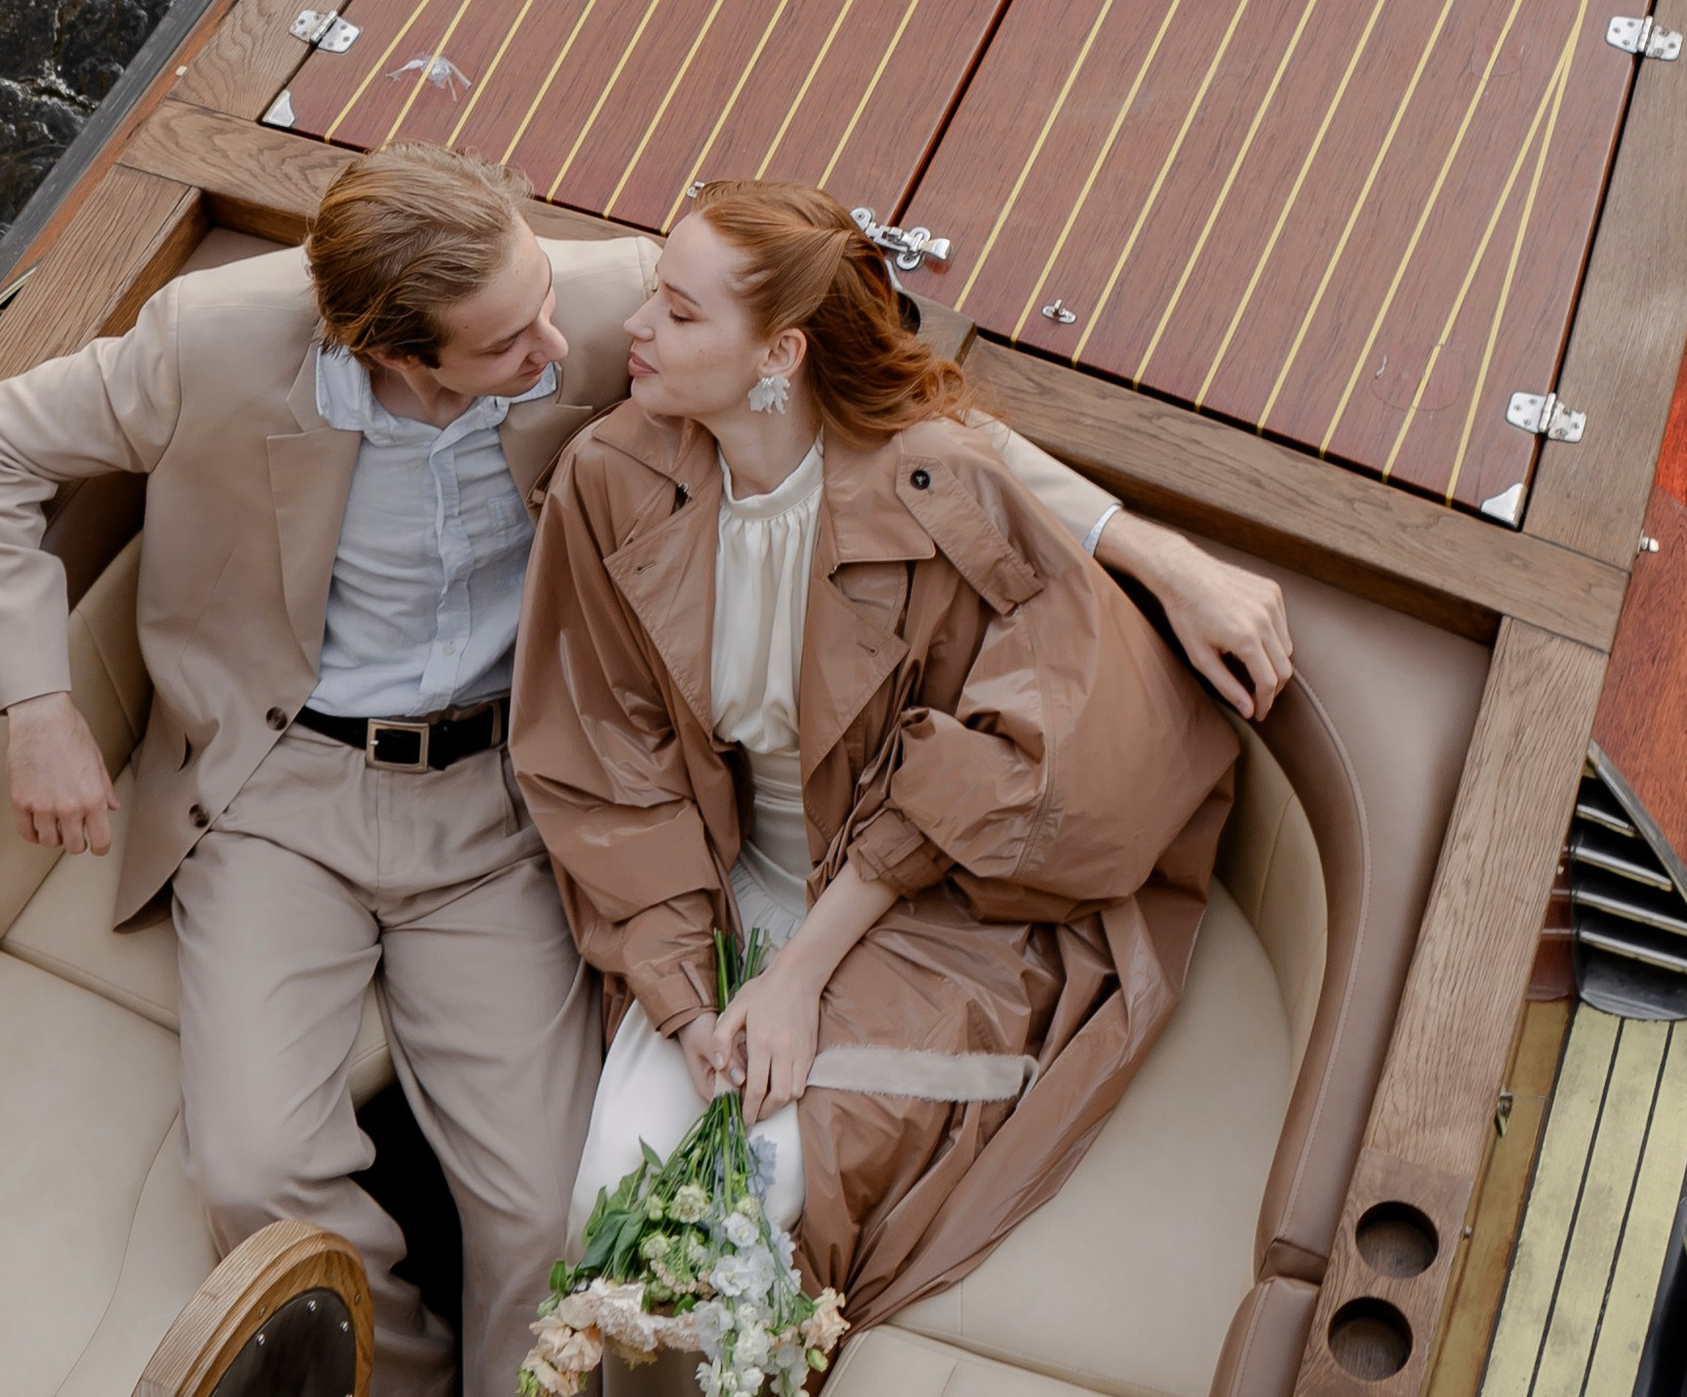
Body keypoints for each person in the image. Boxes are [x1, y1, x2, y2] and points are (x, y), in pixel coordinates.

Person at [0, 149, 1289, 1397]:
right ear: (393, 352)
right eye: (510, 342)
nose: (565, 343)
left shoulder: (609, 309)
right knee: (258, 1170)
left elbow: (900, 420)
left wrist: (1162, 558)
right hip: (279, 789)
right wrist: (37, 703)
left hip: (509, 795)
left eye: (550, 302)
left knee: (537, 1204)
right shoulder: (213, 344)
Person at [512, 181, 1247, 1330]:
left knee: (762, 1196)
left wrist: (798, 976)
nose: (634, 331)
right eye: (650, 295)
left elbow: (989, 768)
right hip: (716, 884)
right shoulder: (612, 477)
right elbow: (610, 765)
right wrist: (681, 1001)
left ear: (781, 353)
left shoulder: (937, 492)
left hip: (915, 899)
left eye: (678, 312)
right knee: (611, 1196)